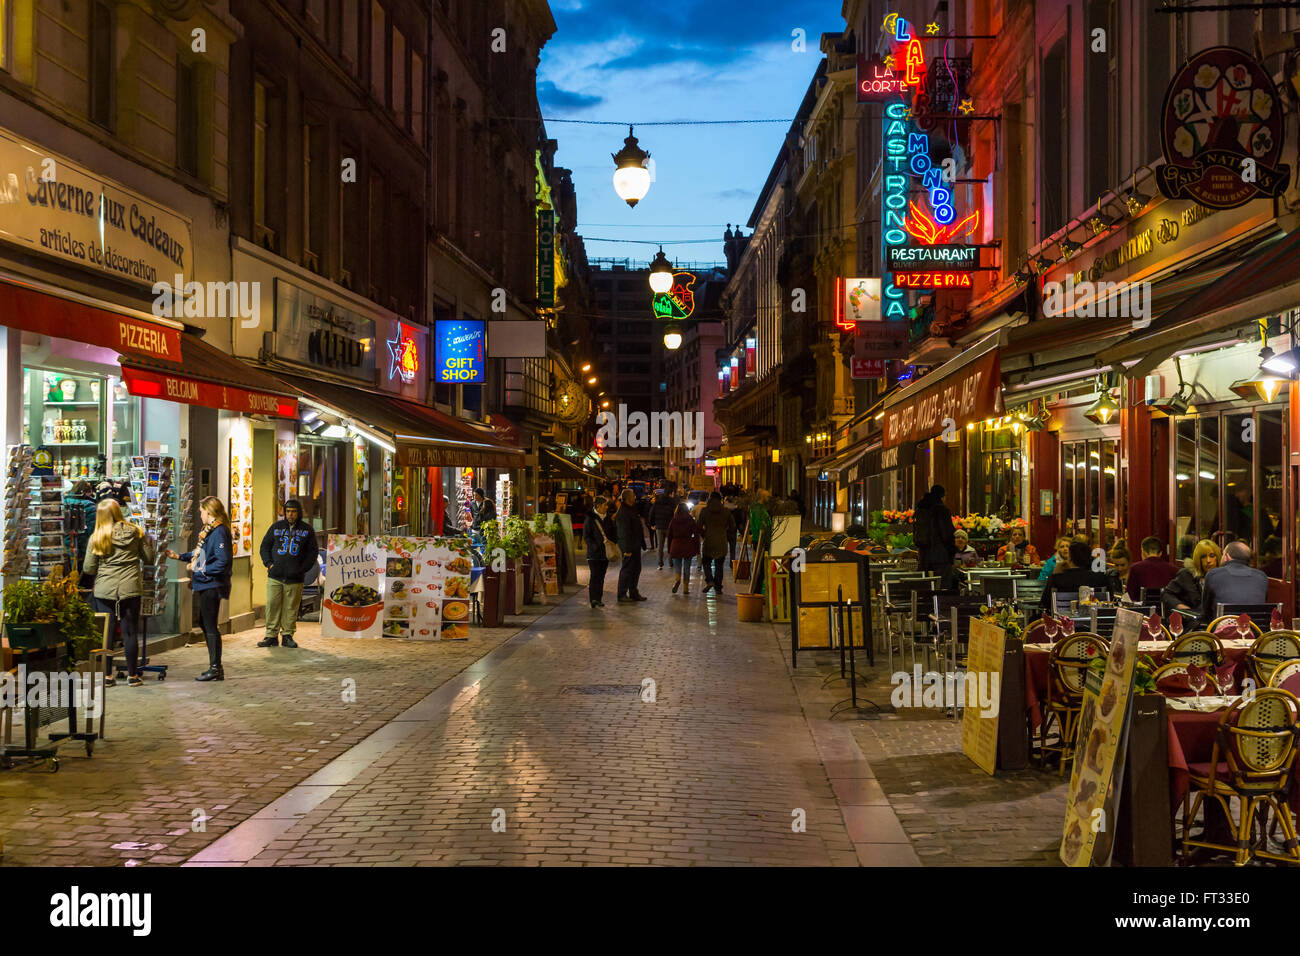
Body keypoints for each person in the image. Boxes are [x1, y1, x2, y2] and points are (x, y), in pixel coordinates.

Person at [82, 499, 156, 686]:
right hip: (130, 588)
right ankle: (132, 675)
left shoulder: (97, 538)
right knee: (129, 632)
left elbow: (89, 568)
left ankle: (107, 676)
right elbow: (148, 558)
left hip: (105, 590)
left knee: (106, 633)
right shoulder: (136, 533)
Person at [166, 496, 233, 682]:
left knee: (210, 625)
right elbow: (200, 554)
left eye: (202, 512)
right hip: (205, 583)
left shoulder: (219, 532)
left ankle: (215, 667)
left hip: (212, 584)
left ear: (209, 511)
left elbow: (222, 561)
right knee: (205, 623)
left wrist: (198, 568)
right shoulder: (209, 531)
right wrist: (179, 557)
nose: (200, 515)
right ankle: (215, 666)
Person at [256, 498, 319, 648]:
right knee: (272, 605)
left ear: (299, 513)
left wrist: (302, 569)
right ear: (284, 513)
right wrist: (269, 564)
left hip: (295, 577)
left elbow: (312, 553)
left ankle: (287, 635)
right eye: (288, 511)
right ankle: (271, 636)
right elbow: (264, 547)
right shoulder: (276, 527)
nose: (290, 514)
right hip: (275, 576)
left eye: (293, 511)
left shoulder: (307, 530)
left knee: (291, 607)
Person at [1201, 540, 1269, 620]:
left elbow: (1206, 611)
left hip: (1223, 630)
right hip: (1255, 630)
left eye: (1222, 554)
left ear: (1227, 556)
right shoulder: (1262, 577)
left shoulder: (1214, 574)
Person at [1039, 541, 1111, 610]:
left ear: (1070, 558)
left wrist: (1055, 572)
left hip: (1062, 619)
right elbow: (1110, 599)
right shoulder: (1101, 578)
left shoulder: (1057, 579)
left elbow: (1045, 603)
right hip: (1095, 618)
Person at [1163, 539, 1220, 621]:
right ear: (1198, 559)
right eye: (1203, 557)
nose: (1208, 561)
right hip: (1192, 622)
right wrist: (1179, 605)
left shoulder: (1222, 577)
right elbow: (1166, 594)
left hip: (1215, 621)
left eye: (1212, 556)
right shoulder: (1186, 574)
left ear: (1217, 557)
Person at [913, 484, 956, 588]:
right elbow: (947, 534)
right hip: (940, 556)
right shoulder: (942, 510)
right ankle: (940, 604)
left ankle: (926, 603)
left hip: (924, 555)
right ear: (942, 496)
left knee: (926, 586)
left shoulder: (920, 509)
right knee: (942, 586)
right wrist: (952, 552)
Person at [697, 492, 736, 596]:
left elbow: (699, 526)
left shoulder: (705, 511)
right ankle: (718, 587)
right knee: (719, 565)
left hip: (709, 541)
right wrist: (726, 534)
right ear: (720, 500)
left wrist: (704, 535)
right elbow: (733, 527)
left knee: (706, 562)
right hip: (721, 541)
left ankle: (709, 580)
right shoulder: (726, 512)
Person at [615, 490, 647, 603]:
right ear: (628, 498)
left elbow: (638, 527)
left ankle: (633, 592)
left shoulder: (632, 509)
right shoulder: (623, 512)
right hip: (629, 547)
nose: (635, 497)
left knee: (636, 569)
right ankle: (621, 594)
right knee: (627, 570)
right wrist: (627, 549)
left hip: (636, 545)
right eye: (633, 495)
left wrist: (642, 543)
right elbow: (623, 533)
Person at [582, 495, 614, 608]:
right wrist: (594, 546)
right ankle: (593, 599)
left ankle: (599, 598)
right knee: (595, 576)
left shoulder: (608, 518)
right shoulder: (590, 518)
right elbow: (586, 536)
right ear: (598, 506)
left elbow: (612, 533)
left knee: (601, 576)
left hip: (605, 553)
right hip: (594, 554)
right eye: (605, 505)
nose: (607, 507)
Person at [1125, 536, 1178, 601]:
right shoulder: (1174, 569)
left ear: (1143, 552)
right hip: (1166, 608)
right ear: (1160, 553)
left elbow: (1130, 596)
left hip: (1143, 609)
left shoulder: (1135, 568)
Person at [666, 502, 701, 594]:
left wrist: (669, 548)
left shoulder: (674, 520)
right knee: (687, 567)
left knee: (677, 566)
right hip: (688, 545)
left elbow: (669, 535)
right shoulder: (690, 520)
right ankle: (686, 588)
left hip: (676, 545)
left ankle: (677, 579)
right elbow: (696, 535)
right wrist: (696, 548)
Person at [651, 490, 677, 570]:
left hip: (659, 526)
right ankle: (670, 562)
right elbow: (674, 514)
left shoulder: (656, 503)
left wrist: (652, 524)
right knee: (670, 545)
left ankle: (660, 563)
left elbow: (651, 514)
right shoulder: (671, 503)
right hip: (669, 527)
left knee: (660, 546)